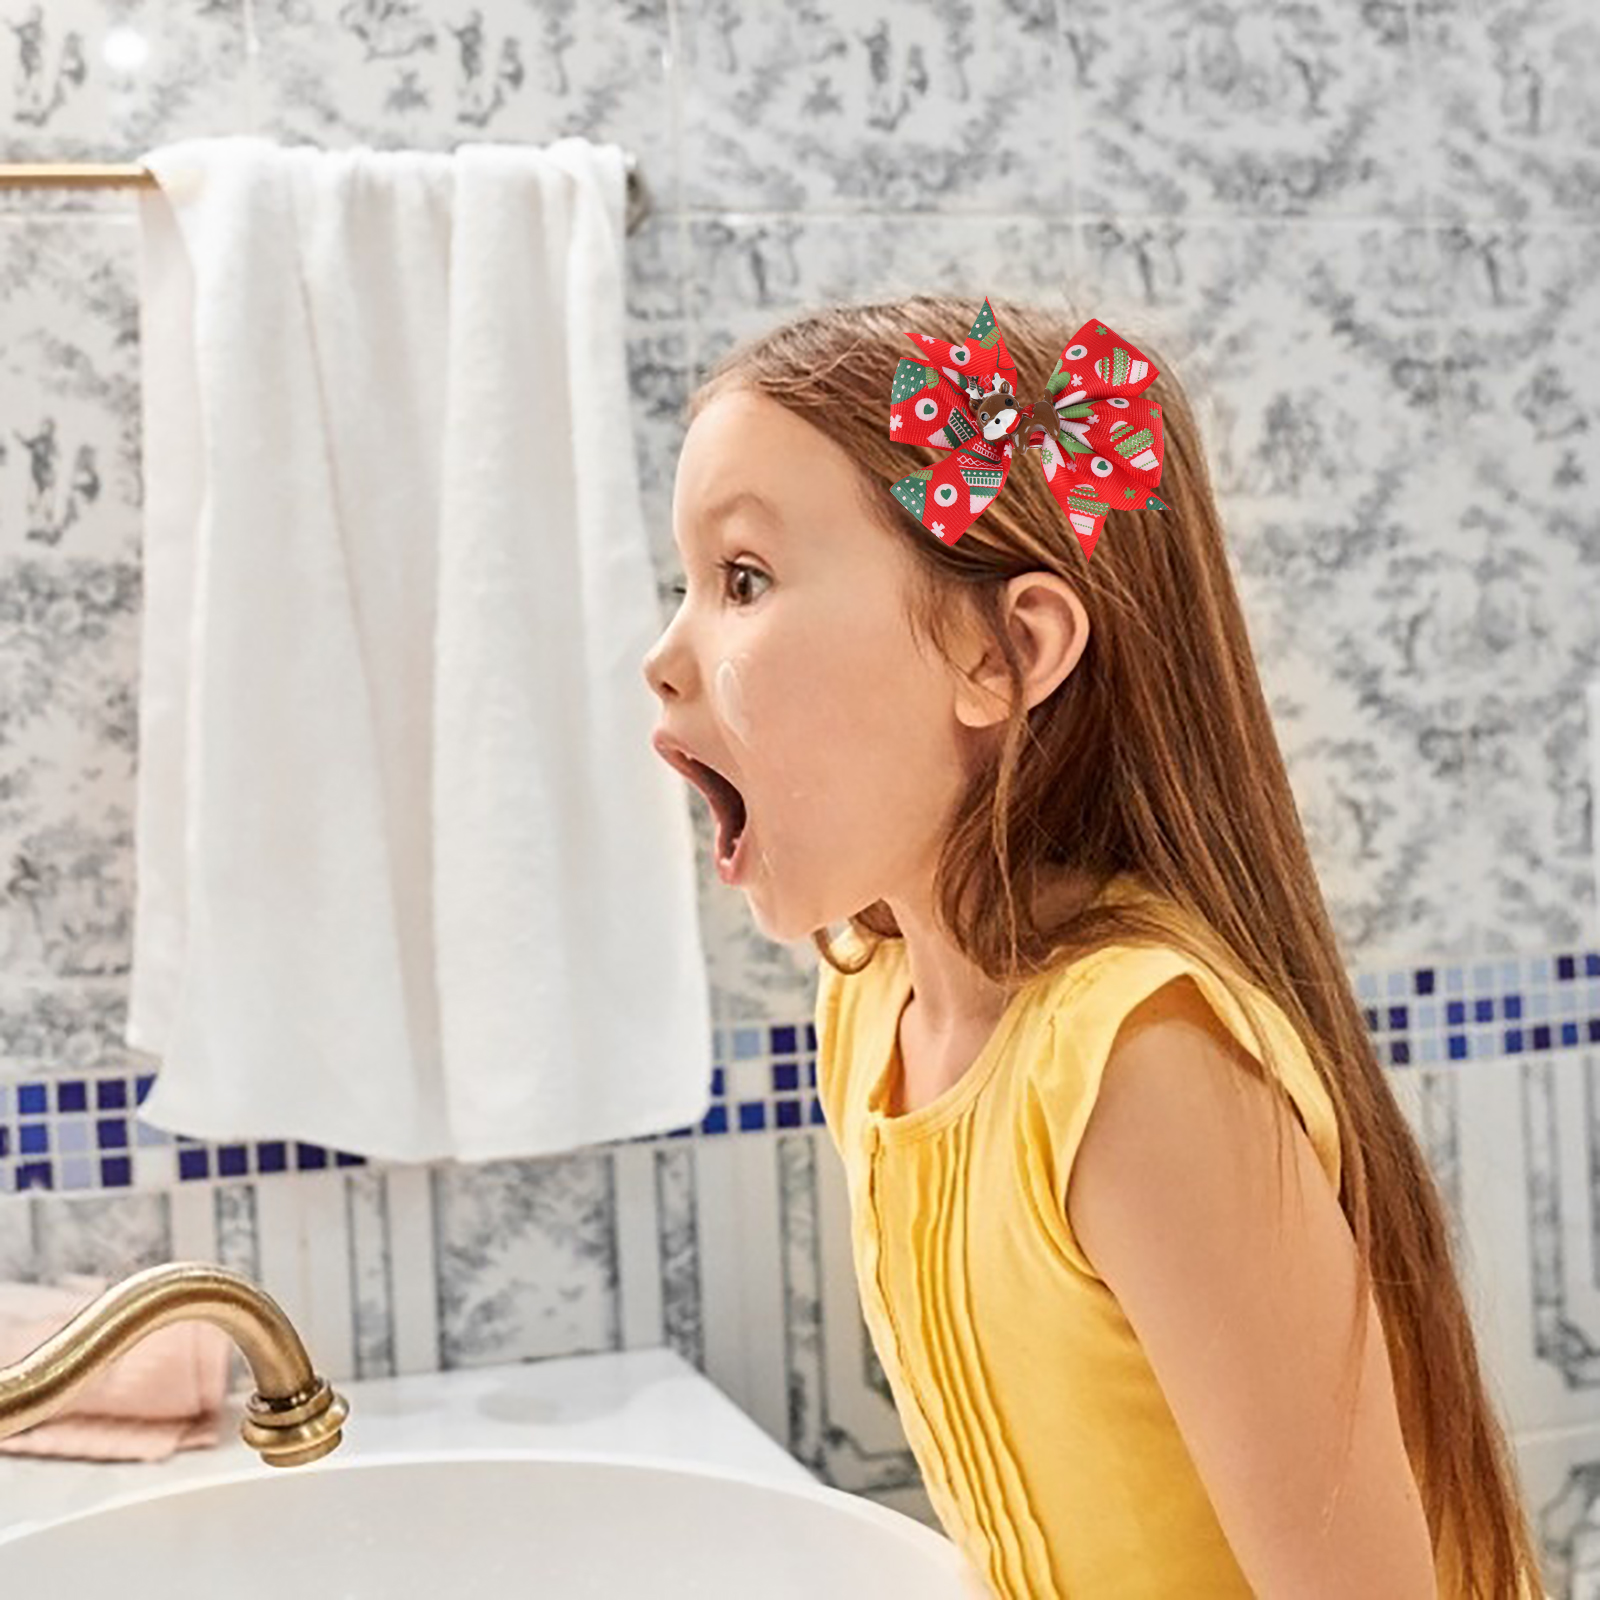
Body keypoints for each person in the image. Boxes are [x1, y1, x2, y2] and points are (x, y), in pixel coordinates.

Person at [641, 293, 1543, 1599]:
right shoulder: (875, 1008)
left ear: (1004, 652)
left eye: (743, 580)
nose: (666, 657)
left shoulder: (1140, 1064)